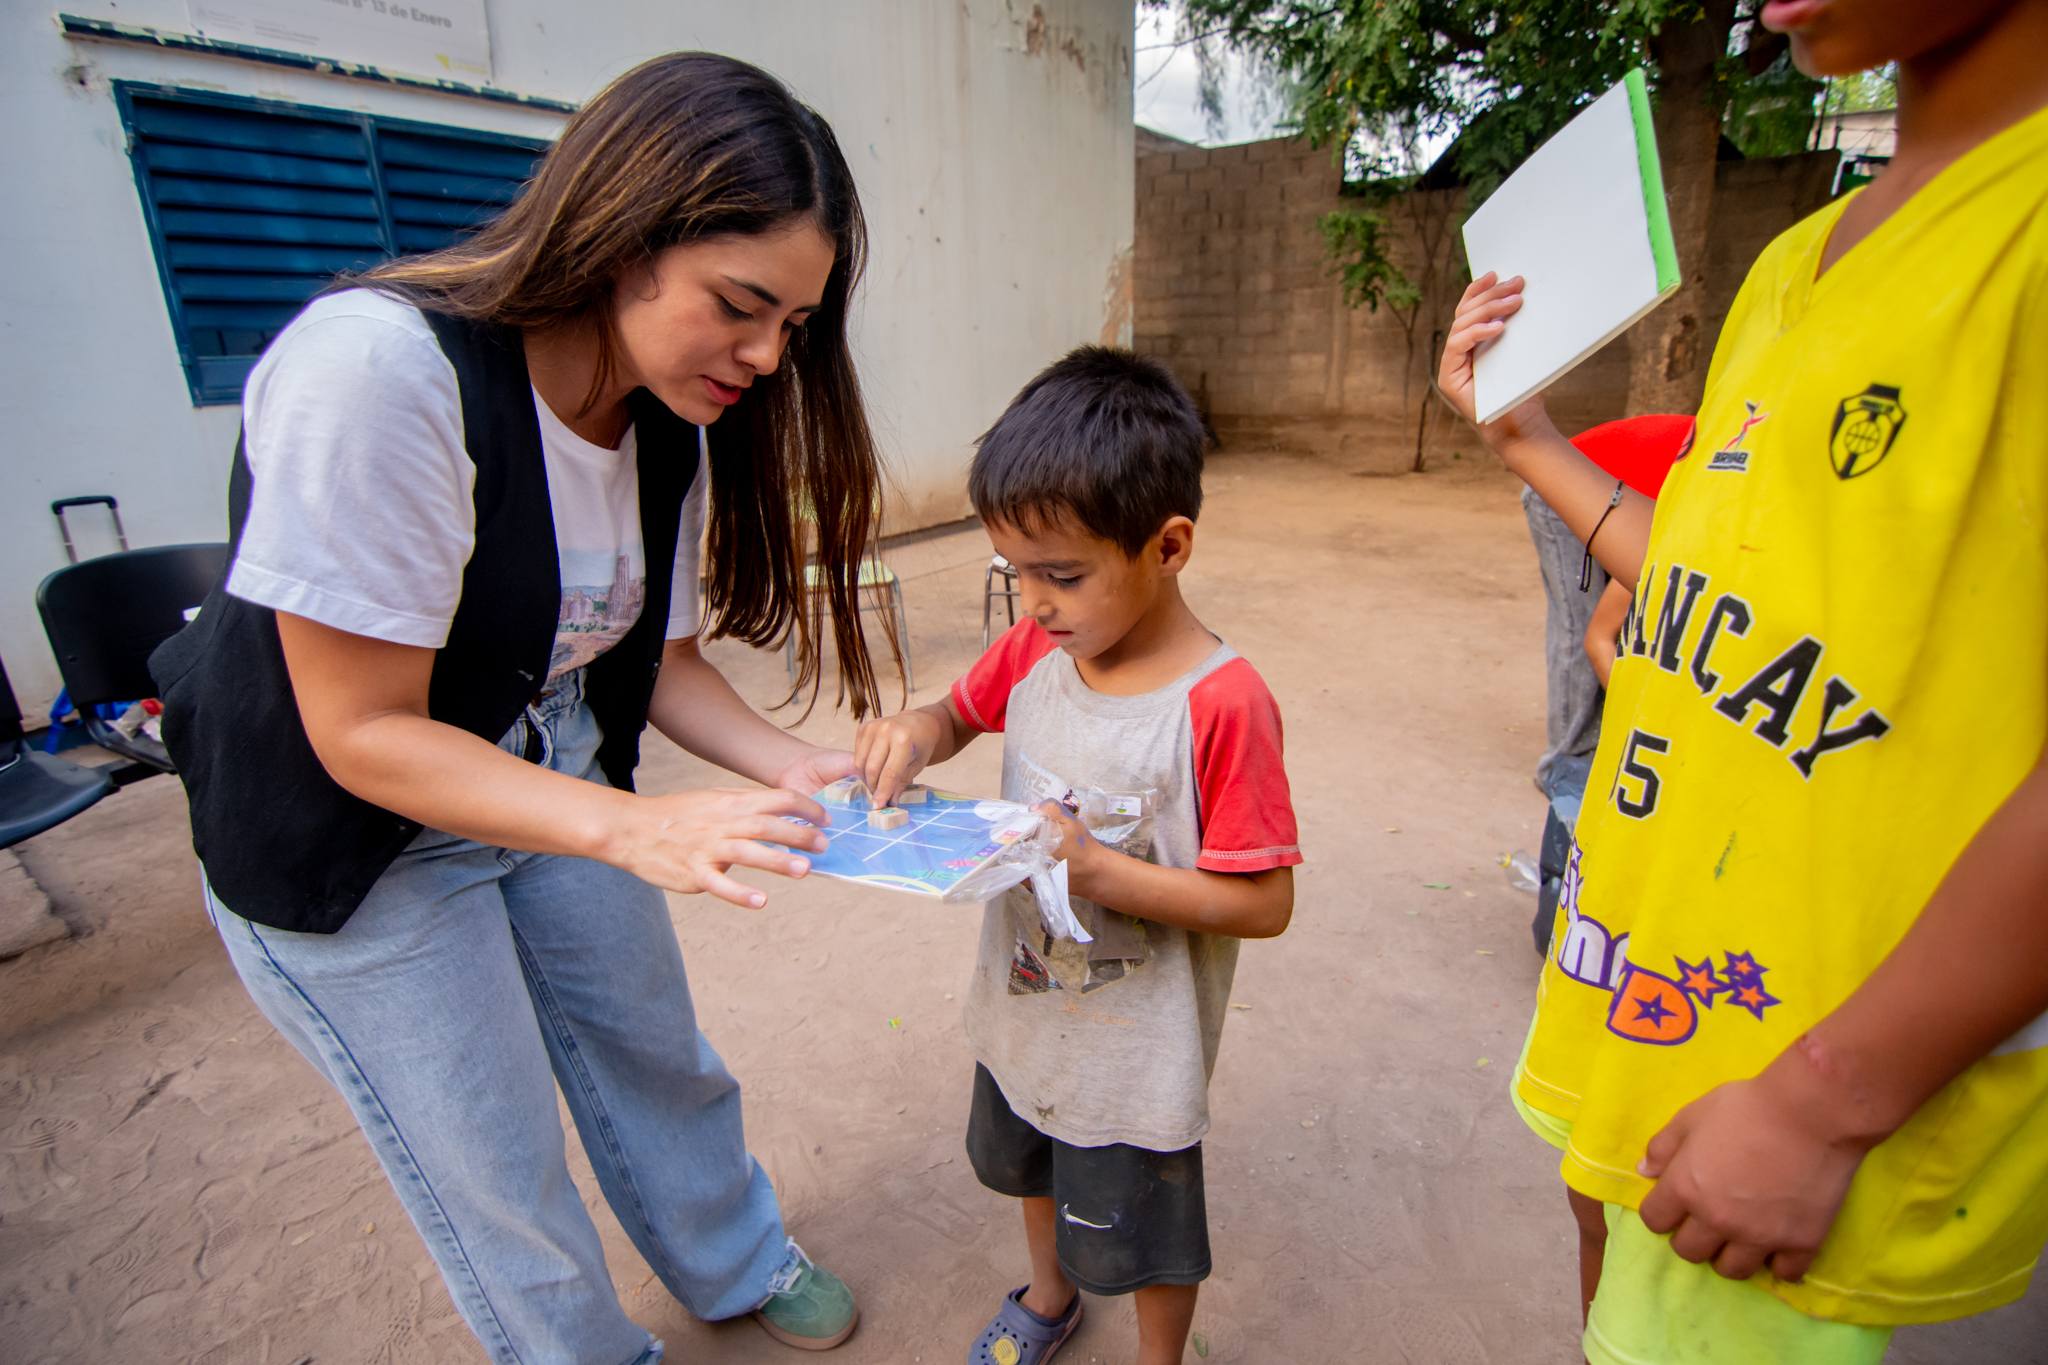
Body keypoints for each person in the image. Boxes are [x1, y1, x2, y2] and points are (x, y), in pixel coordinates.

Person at [149, 53, 896, 1363]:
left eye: (794, 321)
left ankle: (732, 1257)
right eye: (741, 304)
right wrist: (631, 832)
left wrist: (799, 765)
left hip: (542, 754)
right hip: (346, 830)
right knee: (493, 1160)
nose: (770, 356)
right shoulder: (382, 374)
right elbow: (361, 732)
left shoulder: (666, 413)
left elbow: (656, 662)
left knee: (654, 1045)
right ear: (626, 234)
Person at [1437, 0, 2048, 1360]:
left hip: (1832, 1101)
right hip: (1656, 1009)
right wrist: (1524, 432)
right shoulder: (1792, 262)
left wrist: (1832, 1096)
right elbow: (1719, 586)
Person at [851, 348, 1301, 1365]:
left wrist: (1099, 873)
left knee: (1144, 1234)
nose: (1035, 603)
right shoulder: (1035, 651)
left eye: (1061, 575)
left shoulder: (1219, 706)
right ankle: (1046, 1296)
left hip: (1136, 1053)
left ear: (1168, 545)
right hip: (1021, 1006)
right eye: (1014, 571)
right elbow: (955, 714)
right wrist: (913, 733)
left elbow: (1263, 901)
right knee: (1030, 1165)